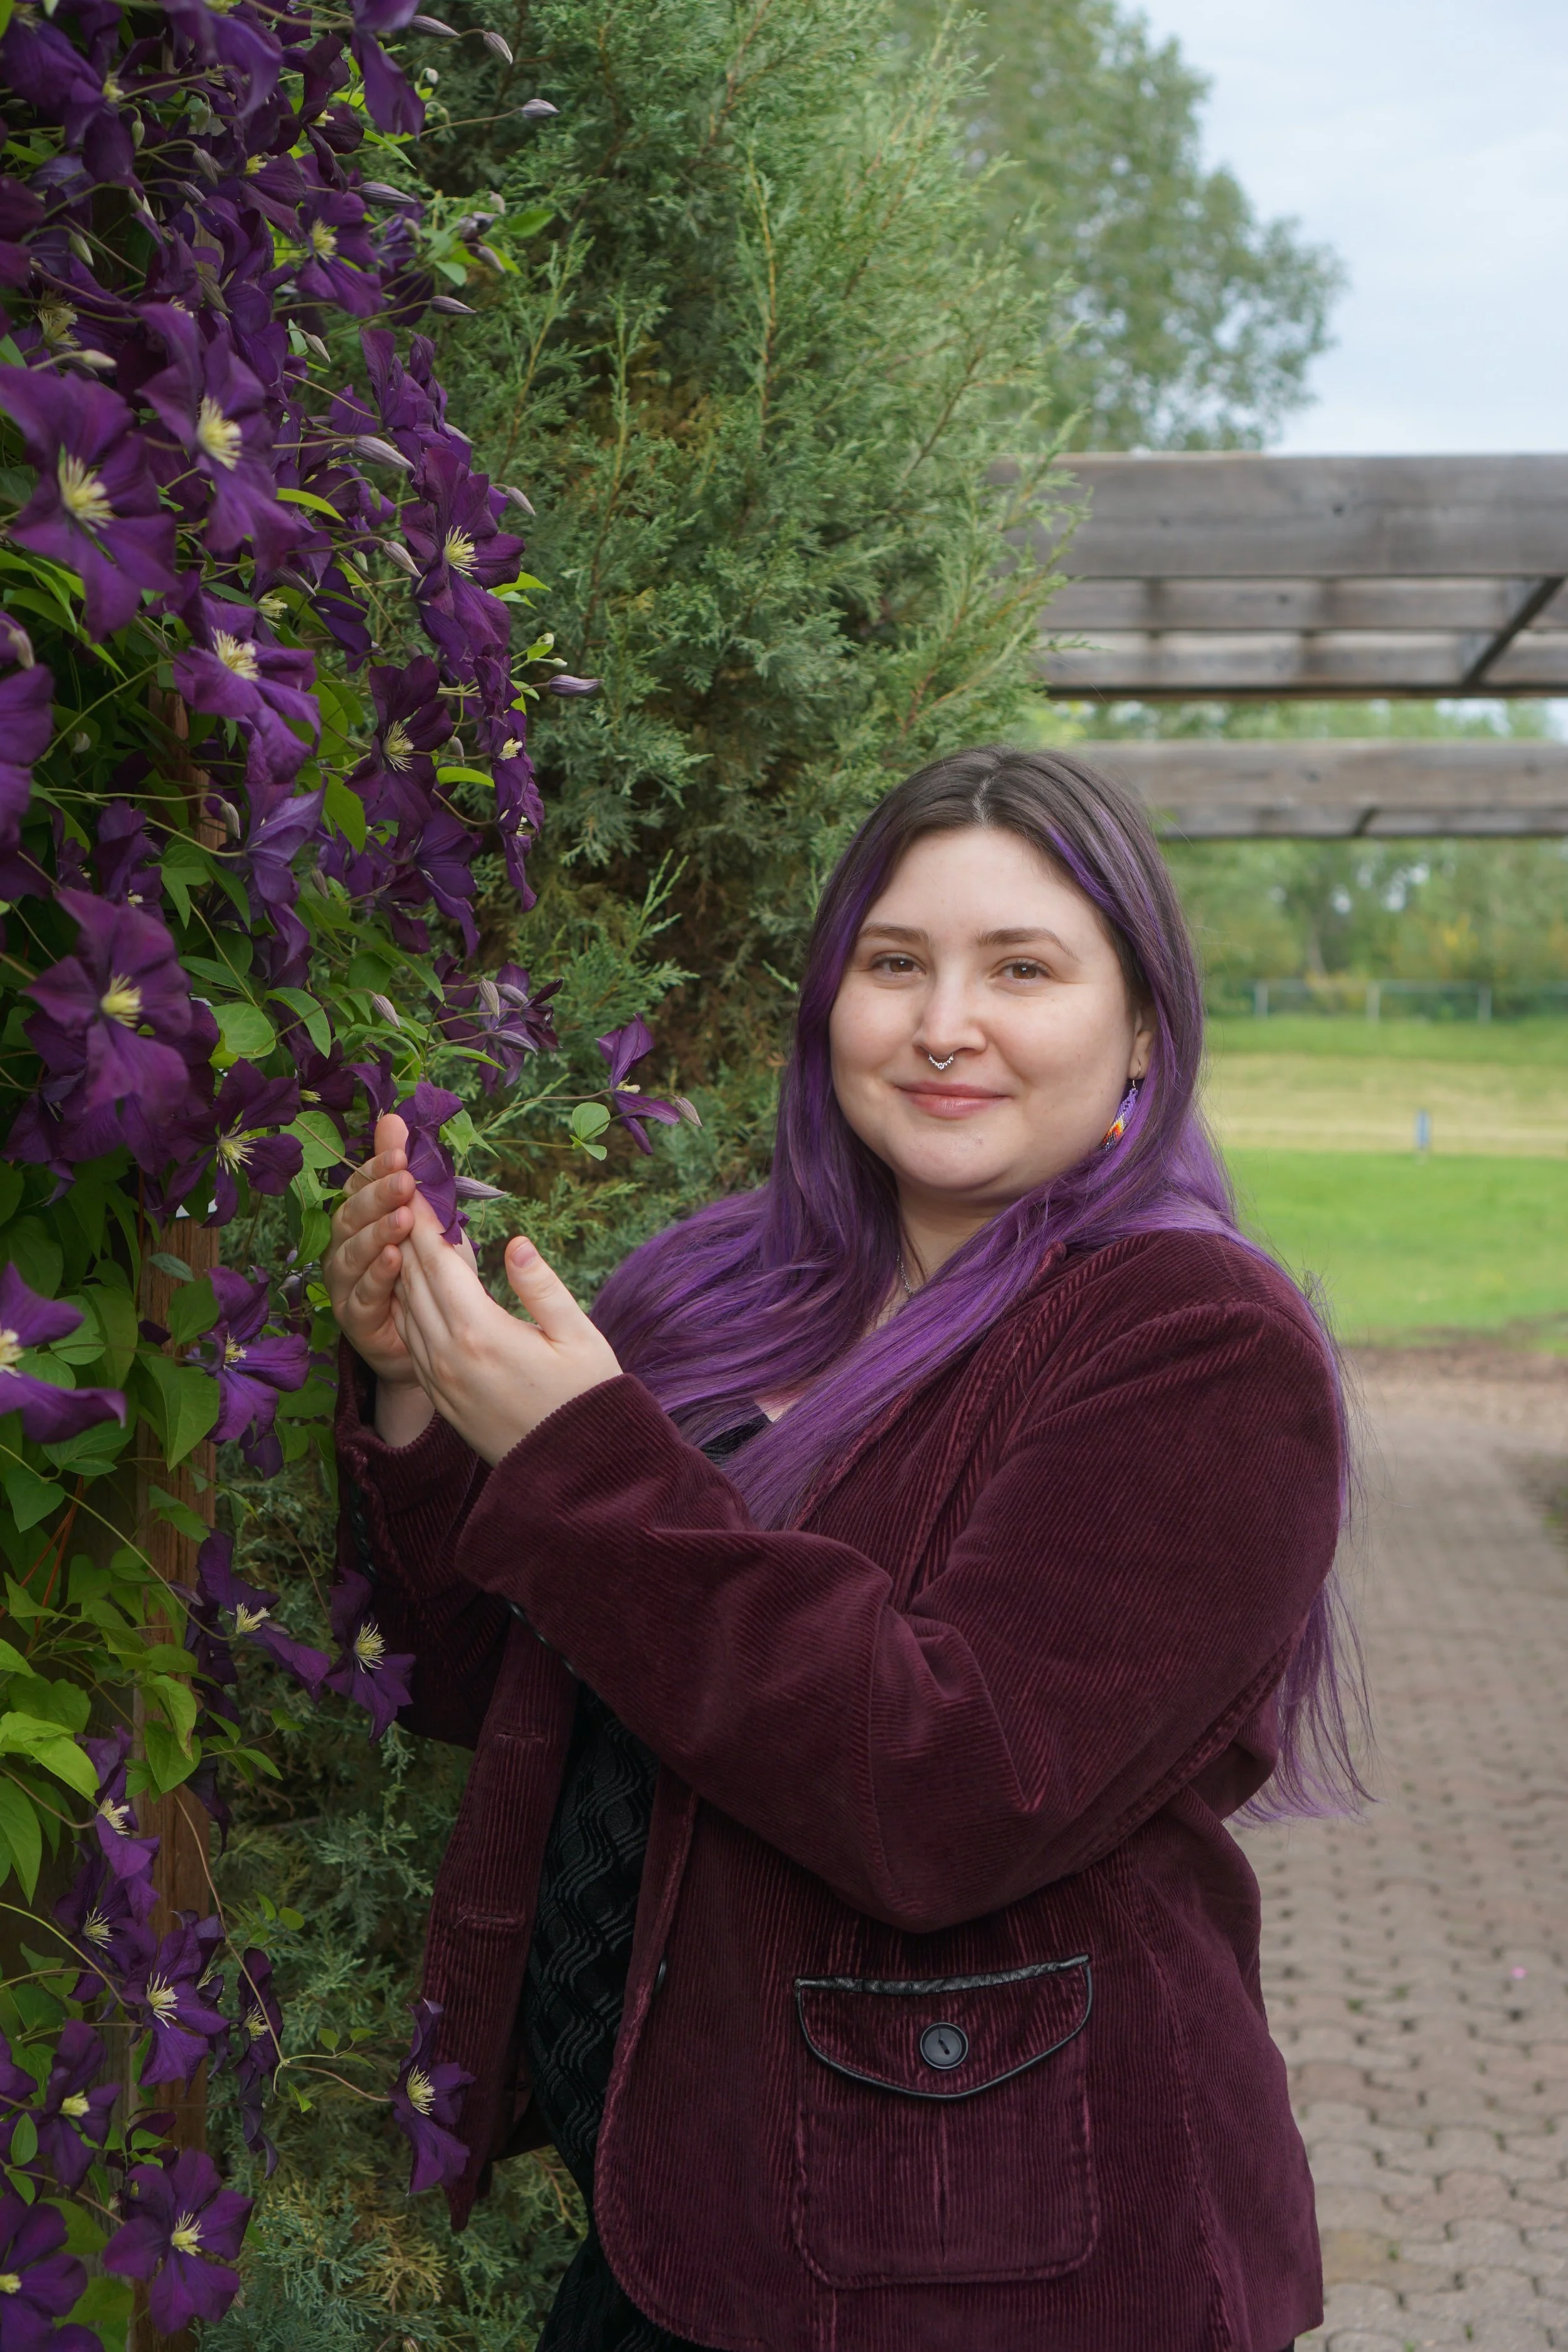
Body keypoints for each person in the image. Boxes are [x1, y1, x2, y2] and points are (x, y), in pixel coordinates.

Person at [326, 746, 1360, 2352]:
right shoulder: (710, 1290)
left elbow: (950, 1786)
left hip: (1014, 2266)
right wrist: (412, 1391)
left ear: (1142, 1030)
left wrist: (578, 1463)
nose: (944, 1023)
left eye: (1021, 968)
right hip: (693, 2221)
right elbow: (511, 1687)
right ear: (831, 1006)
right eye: (894, 965)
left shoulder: (1197, 1344)